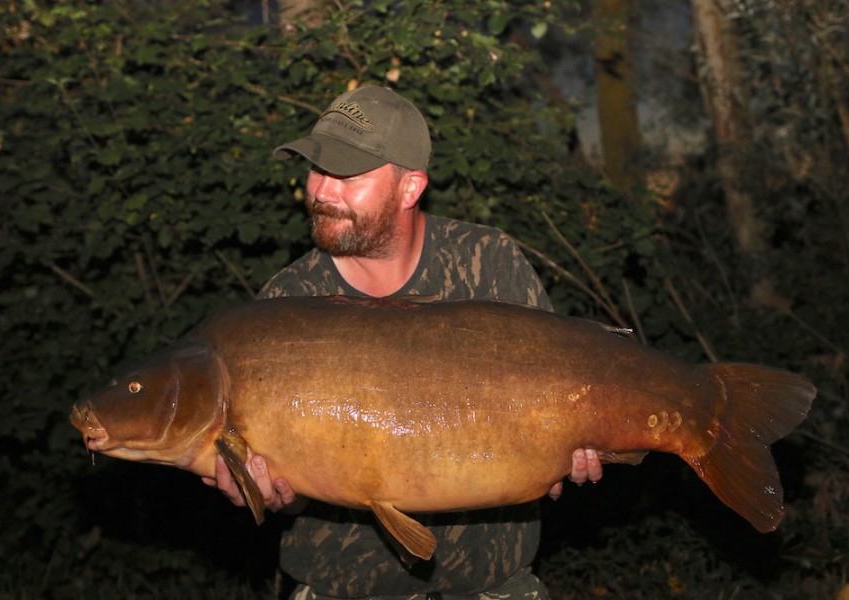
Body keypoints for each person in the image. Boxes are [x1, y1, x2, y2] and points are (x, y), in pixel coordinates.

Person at [202, 85, 602, 599]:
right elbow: (295, 491)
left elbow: (559, 411)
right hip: (342, 589)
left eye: (346, 174)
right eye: (316, 168)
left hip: (492, 585)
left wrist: (573, 445)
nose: (322, 190)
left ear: (410, 187)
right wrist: (268, 490)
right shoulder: (285, 304)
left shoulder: (488, 262)